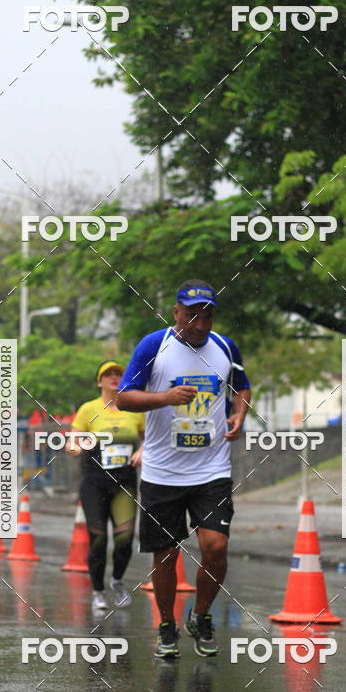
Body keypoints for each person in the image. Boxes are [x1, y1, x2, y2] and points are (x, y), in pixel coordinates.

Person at [117, 280, 251, 659]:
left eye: (207, 316)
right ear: (176, 312)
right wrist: (166, 398)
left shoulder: (225, 347)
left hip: (211, 469)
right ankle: (165, 624)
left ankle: (202, 615)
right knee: (166, 555)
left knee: (216, 546)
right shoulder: (153, 346)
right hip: (162, 473)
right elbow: (124, 397)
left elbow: (241, 386)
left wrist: (239, 414)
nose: (199, 323)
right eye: (191, 314)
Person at [66, 361, 144, 609]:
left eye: (117, 374)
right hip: (94, 483)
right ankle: (98, 590)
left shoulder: (134, 408)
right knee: (98, 539)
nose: (113, 377)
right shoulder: (89, 410)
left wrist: (143, 451)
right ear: (99, 381)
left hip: (125, 482)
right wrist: (75, 447)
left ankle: (117, 581)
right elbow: (72, 439)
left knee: (125, 538)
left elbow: (150, 438)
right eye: (107, 374)